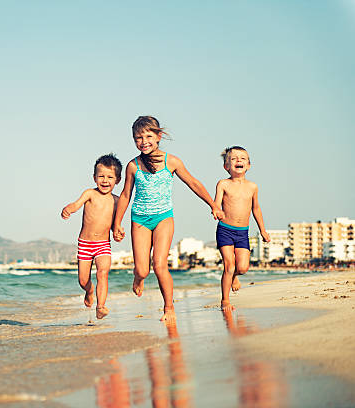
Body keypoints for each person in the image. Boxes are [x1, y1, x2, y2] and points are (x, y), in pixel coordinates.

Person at [113, 116, 224, 322]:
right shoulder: (133, 165)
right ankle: (138, 278)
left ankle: (169, 307)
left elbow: (193, 182)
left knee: (159, 264)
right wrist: (117, 223)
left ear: (159, 136)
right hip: (139, 219)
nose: (144, 141)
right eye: (138, 137)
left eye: (148, 136)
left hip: (164, 217)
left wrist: (213, 204)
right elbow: (126, 195)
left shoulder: (171, 161)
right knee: (142, 269)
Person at [61, 153, 122, 319]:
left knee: (102, 273)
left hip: (103, 244)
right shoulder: (89, 194)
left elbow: (116, 224)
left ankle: (101, 306)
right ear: (94, 177)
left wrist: (118, 232)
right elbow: (76, 204)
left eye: (110, 177)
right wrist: (69, 209)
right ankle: (89, 291)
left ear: (117, 180)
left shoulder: (117, 201)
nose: (105, 180)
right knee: (83, 280)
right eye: (101, 176)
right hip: (85, 244)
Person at [215, 146, 270, 311]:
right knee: (229, 265)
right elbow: (217, 202)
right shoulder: (223, 184)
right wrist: (216, 209)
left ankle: (233, 277)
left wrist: (263, 230)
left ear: (249, 165)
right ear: (226, 166)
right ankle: (225, 300)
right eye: (233, 159)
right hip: (225, 230)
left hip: (242, 232)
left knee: (243, 268)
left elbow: (256, 209)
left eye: (242, 158)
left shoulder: (253, 187)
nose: (238, 160)